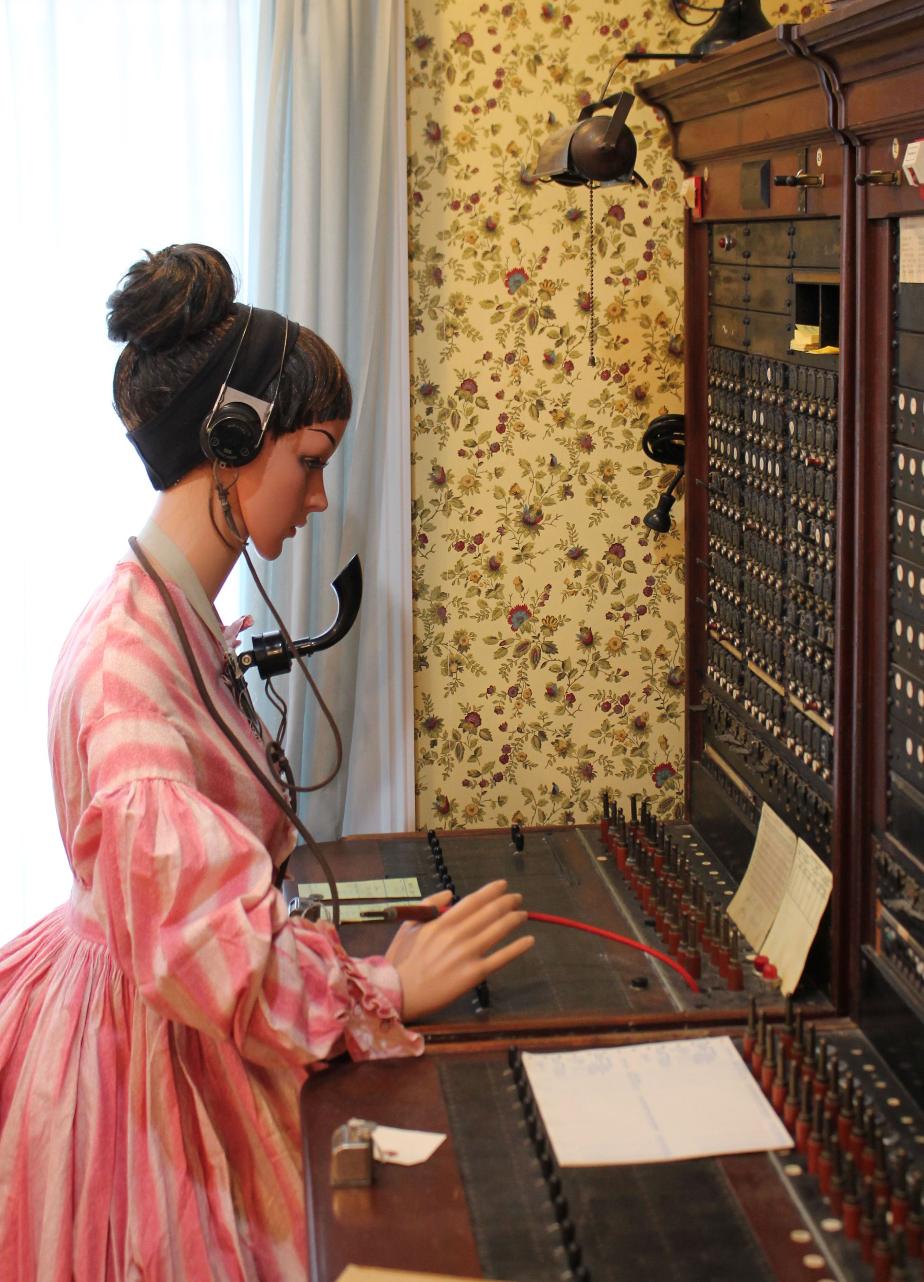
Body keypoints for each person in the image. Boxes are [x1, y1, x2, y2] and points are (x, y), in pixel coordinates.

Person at [0, 244, 534, 1281]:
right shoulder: (128, 676)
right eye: (312, 458)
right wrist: (384, 982)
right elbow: (210, 955)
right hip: (144, 1063)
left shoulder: (162, 611)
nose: (320, 496)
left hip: (143, 1008)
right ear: (234, 440)